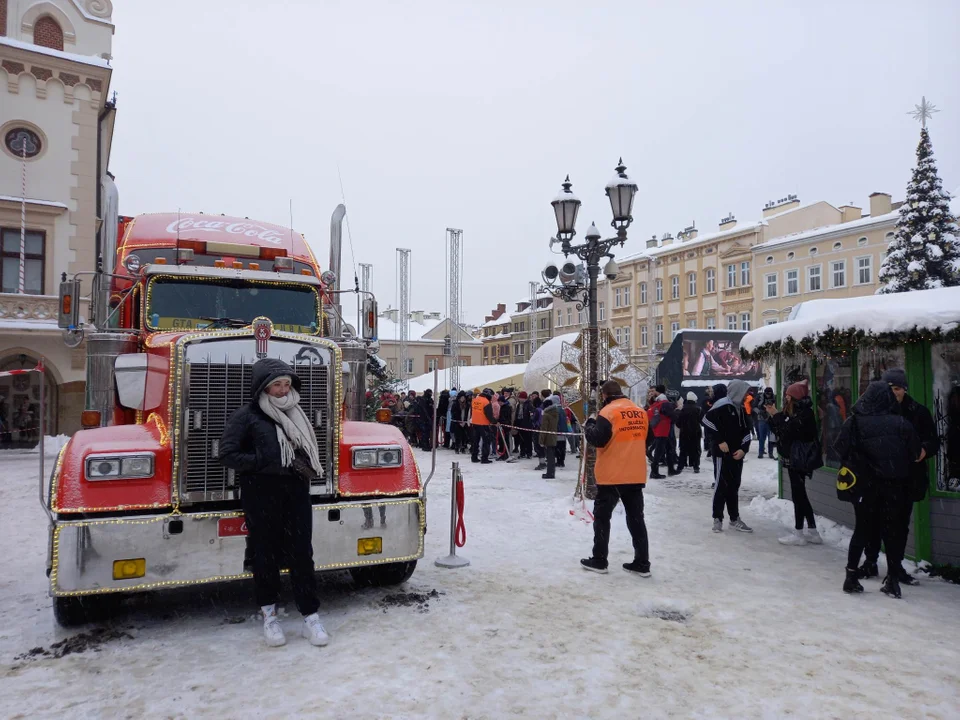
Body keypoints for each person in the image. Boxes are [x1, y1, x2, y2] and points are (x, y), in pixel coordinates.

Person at [218, 358, 330, 648]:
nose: (282, 390)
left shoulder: (297, 413)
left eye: (286, 384)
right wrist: (262, 461)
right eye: (276, 384)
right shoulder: (247, 416)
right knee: (264, 553)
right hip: (260, 491)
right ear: (263, 387)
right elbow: (227, 453)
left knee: (302, 552)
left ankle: (310, 616)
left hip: (296, 490)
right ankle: (269, 615)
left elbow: (307, 448)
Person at [834, 381, 921, 598]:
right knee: (891, 532)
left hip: (865, 487)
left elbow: (839, 448)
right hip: (894, 486)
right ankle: (892, 579)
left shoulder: (855, 421)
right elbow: (915, 453)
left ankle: (851, 575)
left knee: (861, 531)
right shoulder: (901, 423)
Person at [858, 369, 938, 586]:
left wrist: (923, 450)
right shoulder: (874, 411)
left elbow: (933, 441)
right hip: (878, 476)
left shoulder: (917, 412)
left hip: (907, 477)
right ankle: (871, 560)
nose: (894, 393)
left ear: (904, 389)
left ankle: (896, 566)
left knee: (899, 524)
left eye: (897, 389)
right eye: (889, 389)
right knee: (873, 521)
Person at [580, 380, 652, 576]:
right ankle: (642, 562)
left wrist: (589, 426)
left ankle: (599, 560)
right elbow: (649, 438)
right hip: (635, 474)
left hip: (612, 476)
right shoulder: (639, 411)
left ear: (604, 396)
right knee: (636, 519)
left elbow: (598, 440)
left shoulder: (608, 412)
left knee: (602, 520)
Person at [767, 381, 822, 546]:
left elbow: (789, 430)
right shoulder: (796, 412)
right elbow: (781, 431)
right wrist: (773, 417)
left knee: (799, 495)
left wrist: (777, 416)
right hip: (795, 458)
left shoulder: (805, 414)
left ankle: (799, 533)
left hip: (799, 460)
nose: (786, 397)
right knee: (801, 495)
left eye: (788, 394)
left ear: (795, 396)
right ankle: (813, 531)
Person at [702, 380, 753, 533]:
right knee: (721, 486)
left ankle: (734, 518)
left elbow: (746, 432)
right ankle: (717, 518)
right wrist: (719, 441)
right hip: (722, 455)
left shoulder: (741, 409)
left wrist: (744, 449)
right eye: (744, 393)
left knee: (734, 486)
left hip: (737, 456)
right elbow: (706, 421)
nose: (746, 396)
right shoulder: (721, 406)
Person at [646, 392, 676, 479]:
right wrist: (676, 412)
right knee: (659, 452)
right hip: (663, 430)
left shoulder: (656, 405)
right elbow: (672, 416)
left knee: (667, 449)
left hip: (659, 430)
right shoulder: (665, 404)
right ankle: (654, 472)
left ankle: (670, 469)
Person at [676, 391, 702, 473]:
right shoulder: (698, 409)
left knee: (683, 450)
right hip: (695, 432)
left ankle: (680, 466)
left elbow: (678, 423)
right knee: (696, 449)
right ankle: (696, 466)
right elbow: (702, 421)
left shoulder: (682, 410)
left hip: (684, 432)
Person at [470, 388, 496, 464]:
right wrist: (495, 422)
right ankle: (484, 458)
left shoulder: (475, 400)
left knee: (475, 441)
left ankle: (474, 457)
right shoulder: (486, 402)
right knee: (486, 441)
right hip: (484, 424)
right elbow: (489, 415)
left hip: (475, 423)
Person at [539, 394, 560, 479]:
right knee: (551, 456)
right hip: (553, 436)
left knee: (550, 456)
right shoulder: (555, 413)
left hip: (548, 437)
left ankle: (550, 473)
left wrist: (541, 441)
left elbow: (544, 429)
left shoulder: (546, 415)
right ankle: (551, 472)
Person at [755, 387, 776, 459]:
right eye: (767, 394)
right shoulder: (759, 397)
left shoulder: (775, 398)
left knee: (771, 438)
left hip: (771, 419)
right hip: (761, 419)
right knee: (762, 437)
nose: (768, 395)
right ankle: (760, 453)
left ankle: (771, 453)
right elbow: (754, 407)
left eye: (769, 394)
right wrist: (760, 412)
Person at [516, 391, 534, 459]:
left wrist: (529, 422)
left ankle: (529, 453)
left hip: (527, 425)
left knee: (528, 439)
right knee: (521, 439)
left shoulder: (529, 405)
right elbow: (517, 414)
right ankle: (522, 452)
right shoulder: (519, 405)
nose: (519, 399)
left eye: (520, 398)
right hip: (520, 424)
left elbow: (532, 414)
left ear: (524, 398)